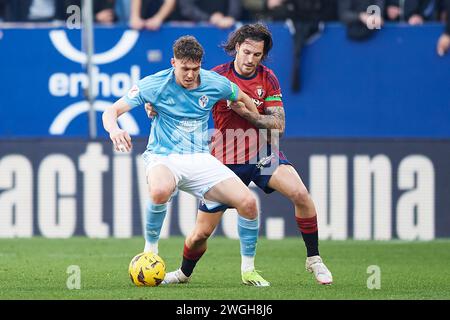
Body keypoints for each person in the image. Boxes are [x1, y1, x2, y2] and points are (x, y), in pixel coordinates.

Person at [145, 24, 333, 287]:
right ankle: (183, 273)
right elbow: (177, 96)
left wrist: (248, 114)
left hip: (261, 155)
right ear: (236, 48)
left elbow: (279, 125)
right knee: (200, 234)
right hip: (224, 160)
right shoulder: (215, 77)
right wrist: (153, 105)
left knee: (300, 194)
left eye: (257, 54)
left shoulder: (268, 78)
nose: (250, 59)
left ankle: (314, 258)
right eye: (246, 52)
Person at [103, 36, 267, 285]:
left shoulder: (214, 83)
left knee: (248, 203)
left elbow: (243, 97)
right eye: (184, 68)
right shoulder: (154, 84)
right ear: (173, 63)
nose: (190, 75)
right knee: (159, 190)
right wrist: (114, 130)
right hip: (163, 156)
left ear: (200, 64)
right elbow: (111, 111)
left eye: (195, 68)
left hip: (200, 158)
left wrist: (253, 122)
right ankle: (150, 251)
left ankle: (248, 271)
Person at [178, 0, 242, 29]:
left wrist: (231, 16)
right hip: (195, 30)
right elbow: (187, 8)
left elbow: (235, 4)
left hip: (226, 27)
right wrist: (209, 18)